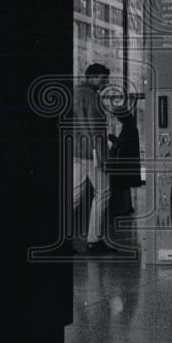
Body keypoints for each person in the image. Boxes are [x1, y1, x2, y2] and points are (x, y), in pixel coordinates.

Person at [71, 63, 112, 254]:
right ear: (93, 77)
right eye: (103, 79)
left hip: (77, 151)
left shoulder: (75, 93)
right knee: (103, 192)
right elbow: (95, 128)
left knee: (74, 195)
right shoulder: (91, 96)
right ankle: (94, 240)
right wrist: (101, 154)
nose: (106, 83)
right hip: (91, 152)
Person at [107, 100, 143, 217]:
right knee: (125, 184)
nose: (117, 119)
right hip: (129, 161)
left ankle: (122, 208)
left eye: (118, 116)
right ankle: (126, 207)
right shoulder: (130, 124)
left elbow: (124, 143)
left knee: (121, 184)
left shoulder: (128, 126)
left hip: (125, 162)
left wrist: (113, 139)